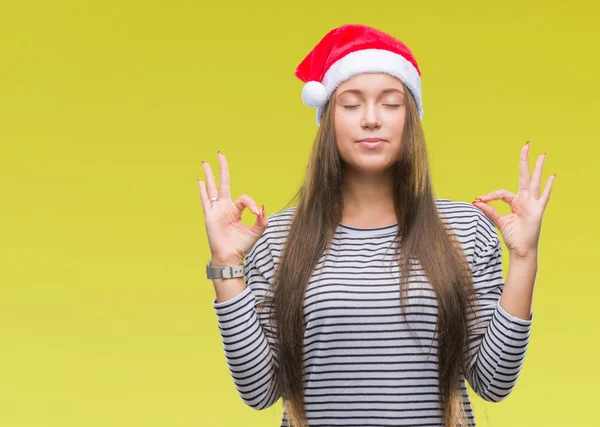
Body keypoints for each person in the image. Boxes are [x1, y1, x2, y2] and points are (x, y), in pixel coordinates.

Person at [199, 24, 554, 427]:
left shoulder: (466, 229)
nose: (371, 120)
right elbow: (259, 390)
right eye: (351, 105)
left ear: (411, 119)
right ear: (328, 119)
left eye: (390, 104)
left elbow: (493, 382)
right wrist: (226, 264)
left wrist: (524, 257)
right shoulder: (277, 237)